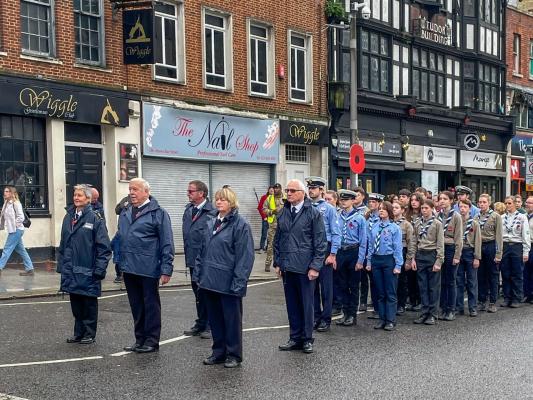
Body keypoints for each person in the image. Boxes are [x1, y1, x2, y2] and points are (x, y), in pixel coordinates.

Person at [194, 187, 254, 369]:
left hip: (228, 282)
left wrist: (239, 282)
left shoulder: (240, 225)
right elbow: (202, 252)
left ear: (232, 203)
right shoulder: (211, 222)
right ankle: (218, 352)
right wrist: (198, 274)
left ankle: (234, 354)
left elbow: (245, 257)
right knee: (215, 320)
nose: (219, 202)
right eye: (217, 199)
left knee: (232, 320)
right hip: (210, 281)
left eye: (224, 200)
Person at [118, 178, 175, 353]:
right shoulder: (126, 212)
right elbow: (120, 238)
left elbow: (167, 242)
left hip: (149, 267)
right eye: (130, 189)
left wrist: (166, 269)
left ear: (146, 192)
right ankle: (139, 339)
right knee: (136, 305)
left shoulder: (158, 213)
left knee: (150, 305)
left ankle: (151, 340)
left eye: (135, 189)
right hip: (129, 267)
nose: (131, 193)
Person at [275, 179, 326, 354]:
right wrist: (278, 262)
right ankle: (294, 337)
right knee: (292, 304)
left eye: (292, 190)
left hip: (305, 267)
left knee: (306, 304)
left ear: (302, 193)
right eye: (287, 190)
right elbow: (278, 240)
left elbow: (320, 242)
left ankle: (307, 338)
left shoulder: (313, 213)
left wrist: (315, 267)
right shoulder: (283, 213)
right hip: (288, 266)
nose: (288, 193)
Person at [57, 184, 111, 344]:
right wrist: (62, 265)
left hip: (88, 268)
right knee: (76, 303)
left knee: (88, 303)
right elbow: (63, 243)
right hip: (71, 268)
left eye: (80, 195)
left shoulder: (95, 218)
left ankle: (89, 333)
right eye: (75, 195)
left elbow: (104, 247)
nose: (76, 198)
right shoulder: (68, 216)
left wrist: (100, 269)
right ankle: (78, 332)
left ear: (88, 199)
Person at [306, 177, 341, 333]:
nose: (311, 190)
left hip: (325, 248)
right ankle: (315, 317)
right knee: (311, 286)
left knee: (326, 287)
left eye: (314, 188)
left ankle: (326, 319)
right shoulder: (305, 207)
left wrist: (333, 253)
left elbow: (336, 232)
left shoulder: (329, 209)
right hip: (309, 250)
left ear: (321, 190)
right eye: (309, 187)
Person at [182, 180, 215, 339]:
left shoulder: (212, 211)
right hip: (192, 258)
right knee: (197, 293)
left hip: (206, 260)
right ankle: (201, 322)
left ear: (201, 193)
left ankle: (210, 325)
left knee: (207, 292)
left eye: (191, 191)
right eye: (188, 191)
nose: (188, 193)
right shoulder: (189, 210)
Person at [406, 199, 444, 325]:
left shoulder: (437, 224)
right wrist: (412, 258)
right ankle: (424, 312)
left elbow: (440, 244)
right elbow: (413, 241)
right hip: (420, 255)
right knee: (422, 287)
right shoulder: (417, 223)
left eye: (426, 208)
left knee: (433, 287)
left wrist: (439, 261)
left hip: (432, 254)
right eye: (422, 208)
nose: (424, 210)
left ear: (432, 209)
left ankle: (433, 314)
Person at [366, 201, 403, 331]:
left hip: (388, 260)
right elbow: (370, 246)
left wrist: (398, 264)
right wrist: (369, 262)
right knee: (380, 292)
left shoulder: (394, 228)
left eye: (384, 209)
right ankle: (382, 318)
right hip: (376, 259)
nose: (381, 211)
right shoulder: (375, 226)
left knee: (390, 292)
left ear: (389, 211)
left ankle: (390, 320)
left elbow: (397, 247)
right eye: (380, 209)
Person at [334, 189, 367, 327]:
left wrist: (360, 260)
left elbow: (363, 240)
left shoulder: (359, 218)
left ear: (352, 201)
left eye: (346, 200)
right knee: (341, 285)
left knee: (353, 285)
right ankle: (345, 312)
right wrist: (334, 255)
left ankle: (352, 315)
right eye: (341, 200)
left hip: (353, 251)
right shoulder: (338, 216)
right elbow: (335, 235)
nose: (343, 202)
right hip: (341, 251)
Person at [500, 196, 530, 308]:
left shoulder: (522, 217)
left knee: (517, 273)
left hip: (517, 246)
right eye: (506, 203)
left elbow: (525, 235)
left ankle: (517, 297)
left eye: (509, 203)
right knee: (505, 273)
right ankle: (507, 297)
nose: (507, 205)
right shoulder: (502, 217)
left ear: (514, 204)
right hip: (505, 246)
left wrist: (526, 251)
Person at [437, 191, 463, 321]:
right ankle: (442, 307)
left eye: (445, 199)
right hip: (439, 250)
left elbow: (459, 238)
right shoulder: (437, 215)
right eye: (440, 199)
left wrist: (457, 255)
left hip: (451, 249)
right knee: (441, 280)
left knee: (451, 280)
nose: (442, 201)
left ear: (451, 201)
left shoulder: (456, 216)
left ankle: (451, 309)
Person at [476, 194, 502, 313]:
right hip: (479, 246)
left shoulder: (495, 216)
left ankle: (492, 301)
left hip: (491, 245)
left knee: (493, 274)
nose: (481, 204)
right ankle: (482, 300)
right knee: (481, 275)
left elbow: (499, 236)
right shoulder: (476, 216)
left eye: (484, 202)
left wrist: (498, 253)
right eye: (480, 202)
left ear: (489, 203)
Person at [0, 186, 34, 276]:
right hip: (13, 230)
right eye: (4, 191)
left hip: (17, 230)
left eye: (7, 191)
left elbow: (21, 217)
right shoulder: (6, 203)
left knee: (7, 249)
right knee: (21, 250)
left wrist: (14, 225)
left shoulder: (16, 203)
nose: (5, 193)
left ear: (11, 193)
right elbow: (3, 216)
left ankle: (0, 267)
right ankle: (30, 269)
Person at [456, 199, 481, 317]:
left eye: (465, 207)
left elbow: (478, 241)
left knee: (472, 282)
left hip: (470, 252)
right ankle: (459, 307)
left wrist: (477, 257)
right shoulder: (456, 221)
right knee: (459, 281)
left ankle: (472, 307)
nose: (462, 209)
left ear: (469, 208)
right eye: (460, 207)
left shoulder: (474, 223)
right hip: (459, 253)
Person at [362, 193, 384, 318]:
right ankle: (375, 306)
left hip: (376, 251)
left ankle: (379, 309)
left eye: (374, 202)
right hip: (366, 251)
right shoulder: (366, 217)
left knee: (377, 282)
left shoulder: (381, 218)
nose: (371, 204)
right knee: (370, 281)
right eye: (370, 202)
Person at [404, 192, 425, 311]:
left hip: (420, 247)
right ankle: (412, 300)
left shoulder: (424, 215)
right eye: (412, 200)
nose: (413, 202)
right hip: (408, 247)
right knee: (410, 277)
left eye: (416, 200)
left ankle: (421, 301)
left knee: (419, 277)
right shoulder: (407, 215)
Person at [392, 201, 413, 315]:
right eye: (393, 207)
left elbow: (410, 243)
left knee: (402, 280)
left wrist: (409, 259)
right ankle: (393, 303)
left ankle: (401, 304)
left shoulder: (406, 224)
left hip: (402, 251)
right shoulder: (389, 223)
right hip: (391, 253)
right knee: (393, 280)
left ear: (403, 210)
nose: (394, 209)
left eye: (397, 207)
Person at [263, 183, 284, 272]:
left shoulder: (286, 197)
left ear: (281, 189)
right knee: (270, 246)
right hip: (273, 225)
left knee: (283, 245)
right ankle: (268, 265)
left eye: (277, 188)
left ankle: (282, 264)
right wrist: (272, 212)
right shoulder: (270, 198)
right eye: (274, 188)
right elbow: (264, 209)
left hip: (284, 225)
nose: (276, 190)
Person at [257, 186, 273, 253]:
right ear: (268, 190)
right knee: (264, 234)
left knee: (271, 234)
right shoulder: (264, 197)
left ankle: (268, 248)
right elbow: (260, 208)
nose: (272, 191)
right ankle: (261, 248)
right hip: (266, 219)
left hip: (273, 219)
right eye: (271, 189)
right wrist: (264, 217)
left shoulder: (276, 198)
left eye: (273, 190)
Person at [524, 195, 533, 304]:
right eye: (526, 202)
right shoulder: (524, 216)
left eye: (529, 203)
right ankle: (527, 294)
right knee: (526, 271)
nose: (527, 204)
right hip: (526, 245)